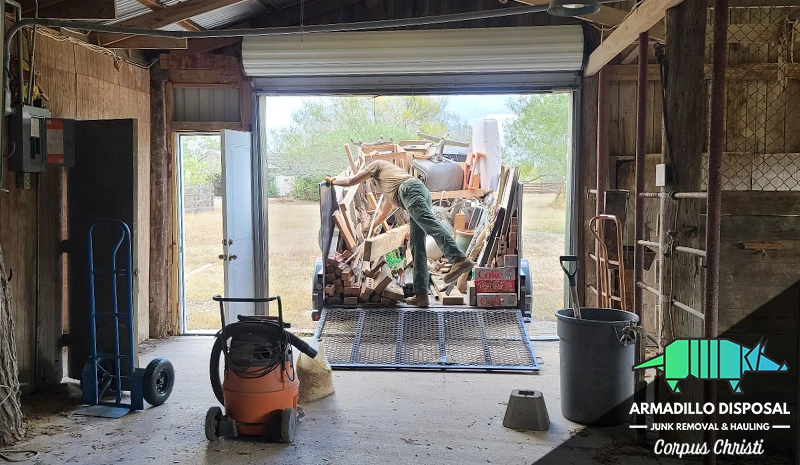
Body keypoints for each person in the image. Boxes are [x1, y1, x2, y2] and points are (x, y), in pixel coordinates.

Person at [325, 160, 474, 307]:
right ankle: (421, 295)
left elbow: (351, 181)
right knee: (417, 246)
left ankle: (459, 258)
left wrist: (333, 181)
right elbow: (383, 214)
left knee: (430, 224)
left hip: (410, 191)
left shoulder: (375, 164)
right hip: (419, 191)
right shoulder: (390, 183)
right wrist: (369, 227)